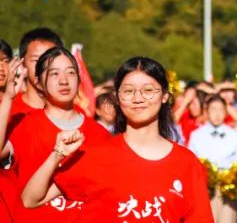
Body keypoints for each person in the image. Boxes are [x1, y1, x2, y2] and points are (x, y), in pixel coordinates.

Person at [21, 56, 213, 222]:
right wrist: (56, 155)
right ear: (118, 98)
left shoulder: (187, 163)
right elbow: (31, 199)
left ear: (164, 96)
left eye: (148, 90)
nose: (138, 98)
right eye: (128, 91)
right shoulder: (94, 154)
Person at [6, 46, 112, 222]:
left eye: (71, 73)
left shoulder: (100, 134)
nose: (64, 81)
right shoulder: (22, 125)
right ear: (38, 82)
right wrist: (8, 99)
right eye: (54, 74)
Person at [189, 94, 237, 223]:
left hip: (228, 184)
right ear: (206, 112)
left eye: (220, 110)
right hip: (206, 184)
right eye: (213, 109)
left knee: (228, 219)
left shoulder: (232, 135)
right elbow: (192, 162)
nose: (217, 114)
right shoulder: (196, 135)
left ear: (225, 112)